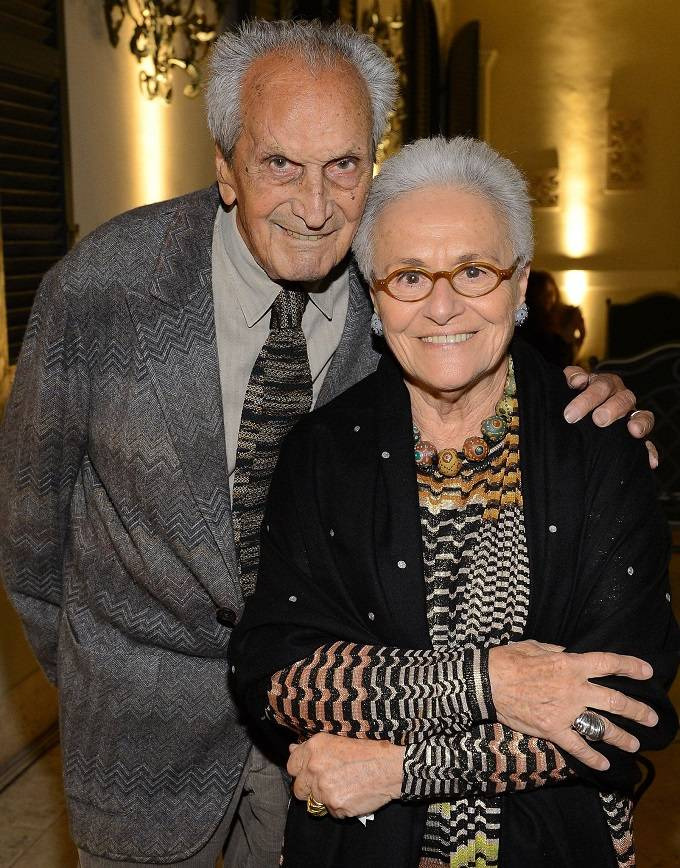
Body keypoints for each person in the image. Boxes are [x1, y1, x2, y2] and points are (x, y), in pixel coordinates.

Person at [0, 18, 653, 868]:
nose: (314, 209)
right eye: (280, 164)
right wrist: (100, 674)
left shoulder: (396, 286)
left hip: (338, 740)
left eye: (343, 165)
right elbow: (30, 532)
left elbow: (475, 338)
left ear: (372, 164)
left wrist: (589, 399)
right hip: (141, 737)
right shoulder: (102, 289)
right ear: (225, 166)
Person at [230, 137, 678, 868]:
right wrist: (489, 684)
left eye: (473, 271)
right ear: (375, 295)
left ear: (520, 283)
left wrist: (400, 768)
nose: (442, 308)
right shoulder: (322, 452)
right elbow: (278, 677)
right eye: (409, 276)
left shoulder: (600, 448)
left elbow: (624, 712)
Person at [522, 269, 586, 366]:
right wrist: (567, 336)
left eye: (551, 294)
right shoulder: (532, 330)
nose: (550, 300)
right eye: (545, 295)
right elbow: (557, 364)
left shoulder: (548, 328)